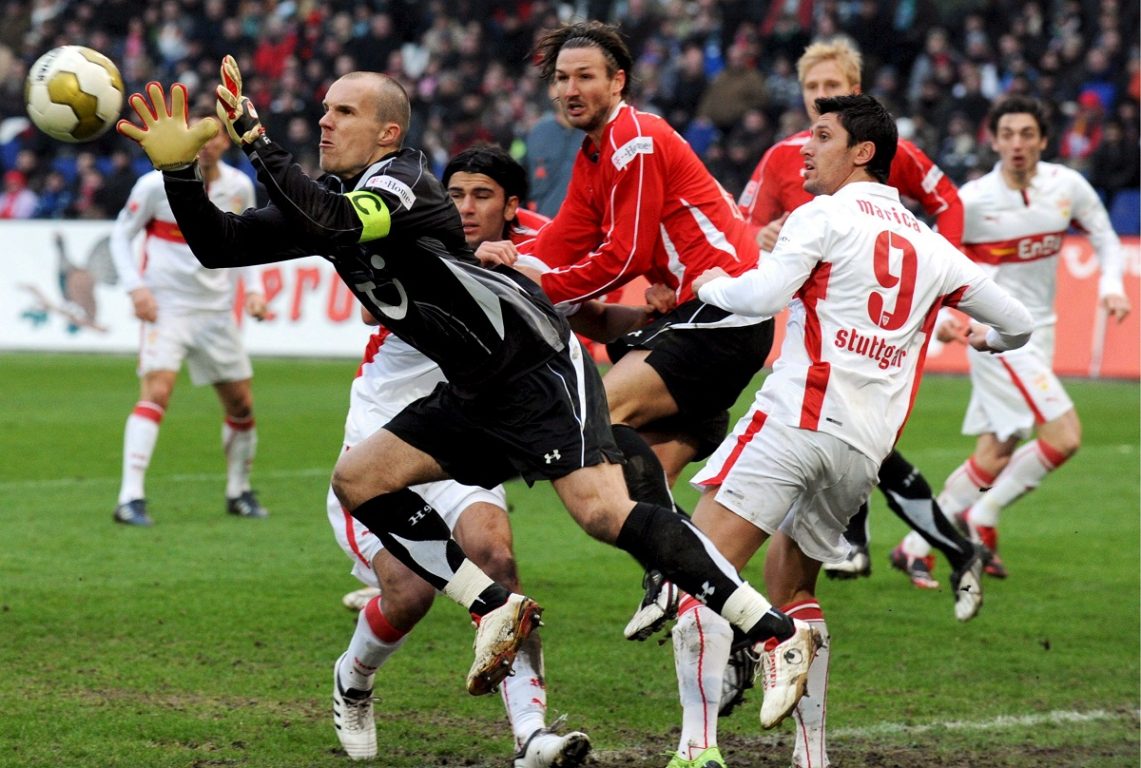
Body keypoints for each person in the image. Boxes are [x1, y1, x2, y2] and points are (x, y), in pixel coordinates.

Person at [117, 61, 819, 728]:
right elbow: (220, 244)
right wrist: (180, 172)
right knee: (360, 479)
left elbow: (332, 223)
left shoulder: (405, 179)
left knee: (605, 515)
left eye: (344, 111)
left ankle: (773, 633)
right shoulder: (329, 201)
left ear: (387, 132)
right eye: (323, 110)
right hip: (475, 383)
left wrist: (259, 144)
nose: (324, 122)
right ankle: (491, 607)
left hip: (534, 363)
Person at [677, 93, 1032, 768]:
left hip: (797, 417)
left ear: (862, 151)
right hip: (860, 453)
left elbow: (759, 297)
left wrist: (710, 283)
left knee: (697, 568)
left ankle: (696, 751)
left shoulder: (823, 215)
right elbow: (1018, 322)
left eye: (820, 135)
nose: (803, 149)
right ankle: (810, 757)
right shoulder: (930, 245)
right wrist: (983, 341)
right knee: (795, 593)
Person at [325, 147, 596, 766]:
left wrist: (656, 312)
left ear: (511, 209)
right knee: (411, 594)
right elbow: (374, 304)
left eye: (481, 197)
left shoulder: (533, 254)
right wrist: (470, 264)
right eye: (455, 195)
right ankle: (354, 678)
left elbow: (595, 312)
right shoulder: (417, 234)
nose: (464, 208)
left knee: (498, 560)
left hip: (457, 450)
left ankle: (532, 735)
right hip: (376, 457)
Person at [527, 20, 776, 643]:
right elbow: (567, 238)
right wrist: (510, 257)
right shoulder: (596, 152)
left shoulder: (634, 139)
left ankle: (670, 571)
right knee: (639, 478)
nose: (569, 89)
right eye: (560, 78)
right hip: (696, 319)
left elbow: (625, 254)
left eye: (585, 76)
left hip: (722, 313)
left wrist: (538, 289)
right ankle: (726, 613)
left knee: (595, 415)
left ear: (618, 81)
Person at [737, 37, 979, 592]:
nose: (821, 97)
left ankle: (865, 547)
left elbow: (949, 203)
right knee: (853, 445)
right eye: (812, 89)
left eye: (834, 88)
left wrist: (940, 289)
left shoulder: (887, 152)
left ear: (857, 91)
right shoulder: (782, 157)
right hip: (813, 332)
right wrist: (761, 235)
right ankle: (886, 547)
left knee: (865, 443)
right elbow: (742, 227)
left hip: (880, 331)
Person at [895, 95, 1131, 579]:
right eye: (1008, 135)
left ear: (1044, 140)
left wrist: (1110, 285)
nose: (1017, 144)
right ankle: (981, 514)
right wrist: (940, 314)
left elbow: (1105, 234)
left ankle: (916, 544)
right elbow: (936, 256)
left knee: (999, 446)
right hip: (997, 336)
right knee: (1064, 437)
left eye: (1027, 134)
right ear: (994, 141)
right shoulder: (976, 199)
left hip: (1041, 331)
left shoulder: (1067, 187)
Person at [109, 112, 267, 526]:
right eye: (202, 137)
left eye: (215, 138)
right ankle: (130, 497)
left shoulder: (238, 186)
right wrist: (135, 288)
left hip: (215, 310)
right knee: (156, 392)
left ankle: (239, 491)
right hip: (166, 307)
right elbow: (120, 234)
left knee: (241, 403)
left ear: (224, 145)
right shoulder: (153, 185)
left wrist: (253, 290)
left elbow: (248, 242)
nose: (208, 144)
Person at [523, 81, 580, 218]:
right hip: (541, 227)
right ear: (551, 90)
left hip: (586, 230)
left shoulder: (599, 132)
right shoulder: (537, 132)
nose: (568, 92)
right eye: (562, 82)